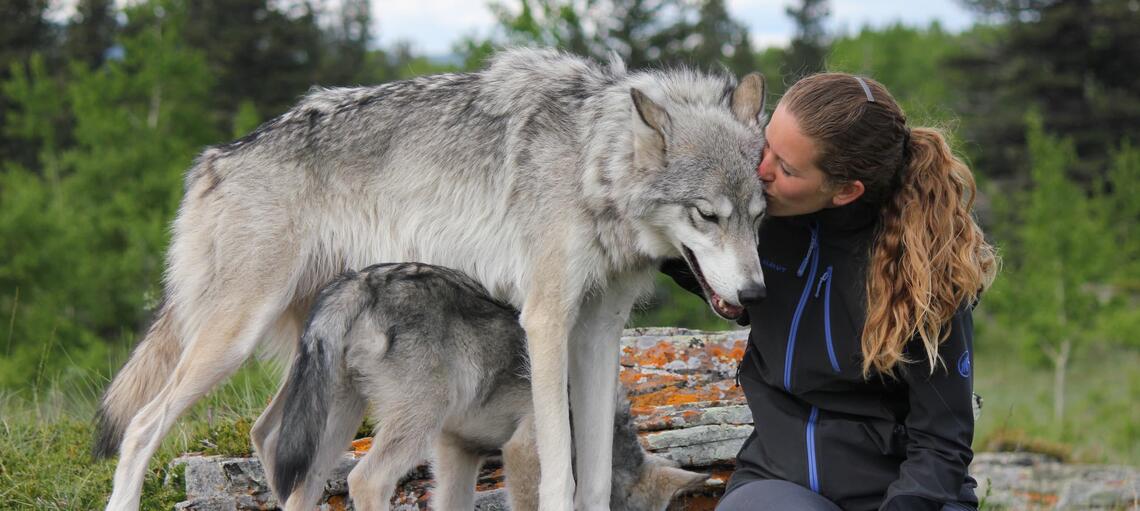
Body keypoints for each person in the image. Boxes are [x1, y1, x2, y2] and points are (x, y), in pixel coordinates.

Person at [662, 72, 998, 511]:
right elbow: (689, 254)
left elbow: (941, 443)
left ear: (845, 192)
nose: (760, 171)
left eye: (786, 168)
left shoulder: (923, 269)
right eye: (765, 145)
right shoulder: (756, 219)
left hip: (910, 495)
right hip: (779, 481)